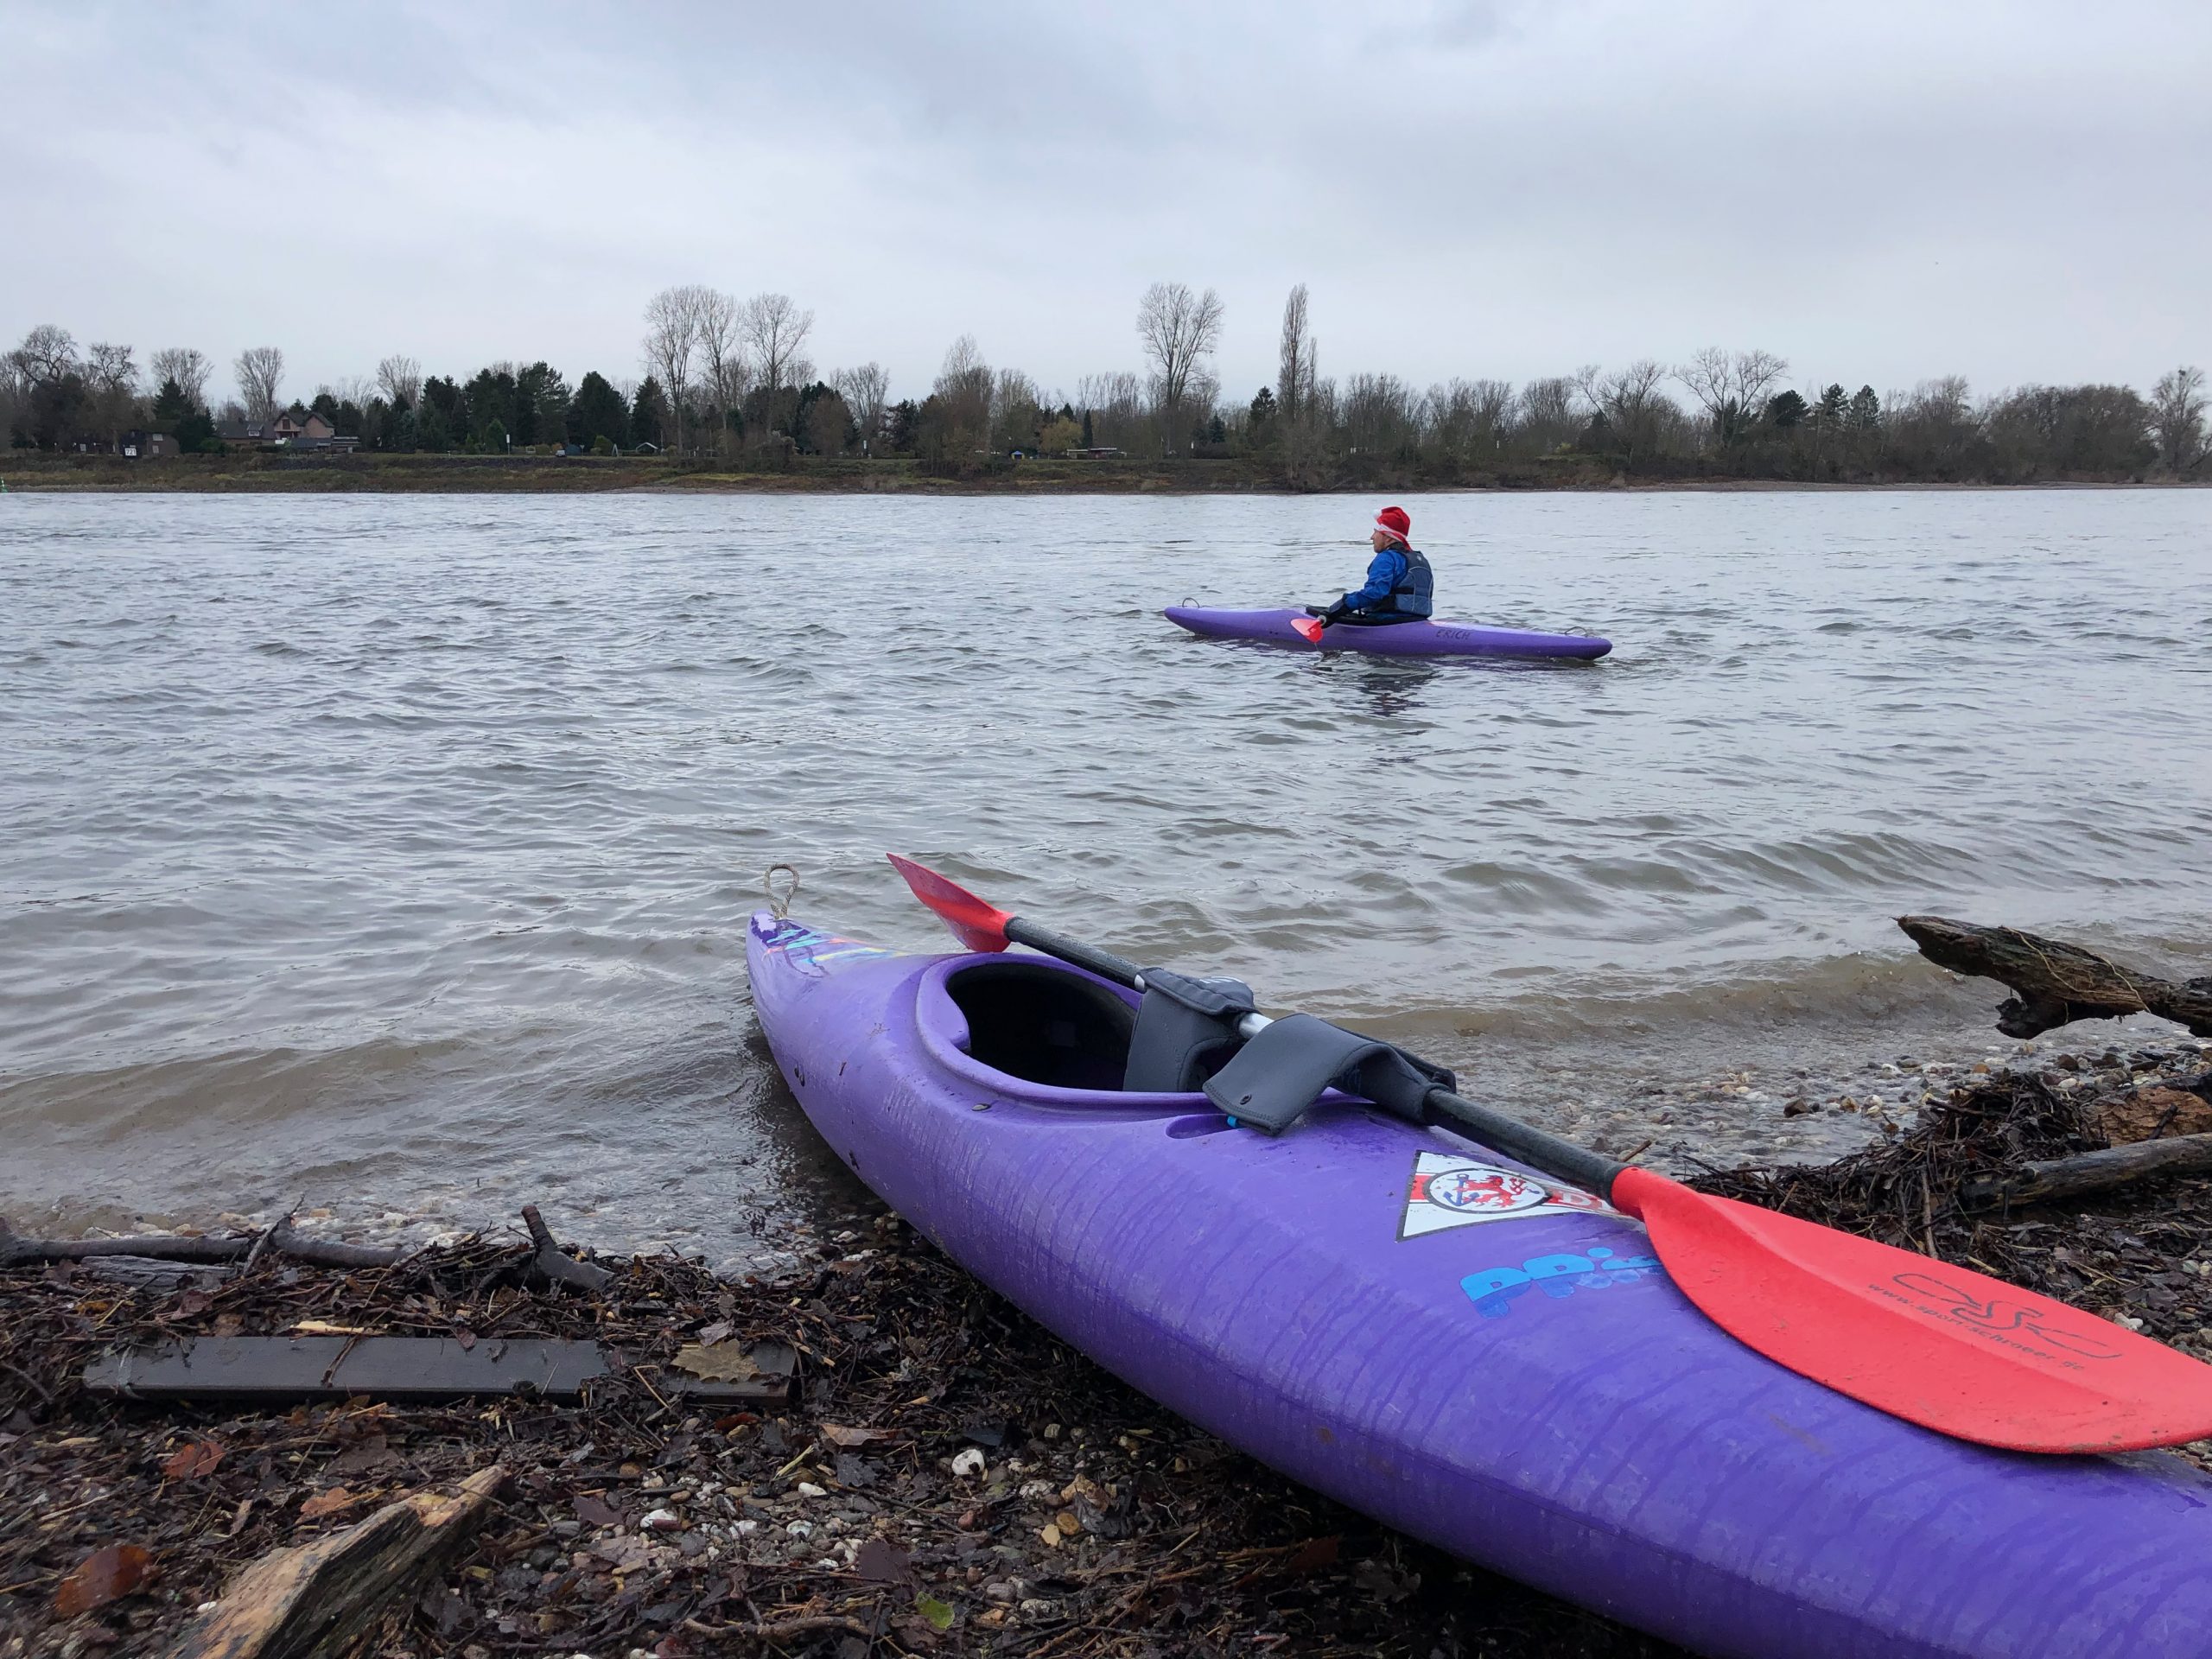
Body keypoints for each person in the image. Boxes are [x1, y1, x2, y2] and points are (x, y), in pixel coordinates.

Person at [1313, 506, 1433, 626]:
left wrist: (1333, 611)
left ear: (1388, 537)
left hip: (1387, 622)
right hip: (1418, 621)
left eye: (1376, 532)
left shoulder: (1387, 558)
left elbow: (1374, 593)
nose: (1372, 537)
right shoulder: (1421, 559)